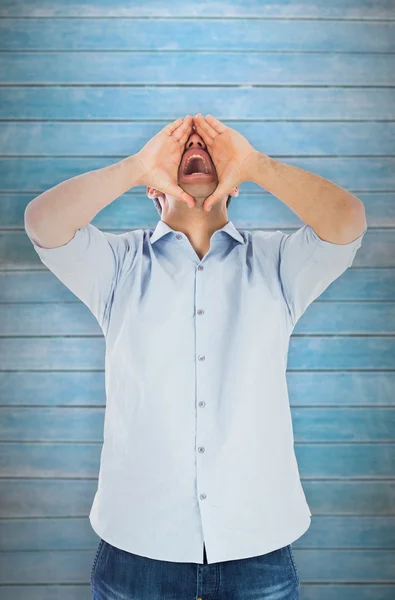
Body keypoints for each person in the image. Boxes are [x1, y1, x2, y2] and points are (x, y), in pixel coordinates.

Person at [24, 114, 367, 600]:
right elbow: (42, 222)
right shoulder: (117, 265)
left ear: (236, 186)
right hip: (136, 546)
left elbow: (348, 221)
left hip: (258, 544)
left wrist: (253, 163)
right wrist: (138, 165)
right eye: (180, 149)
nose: (194, 149)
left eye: (207, 147)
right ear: (151, 189)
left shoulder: (278, 264)